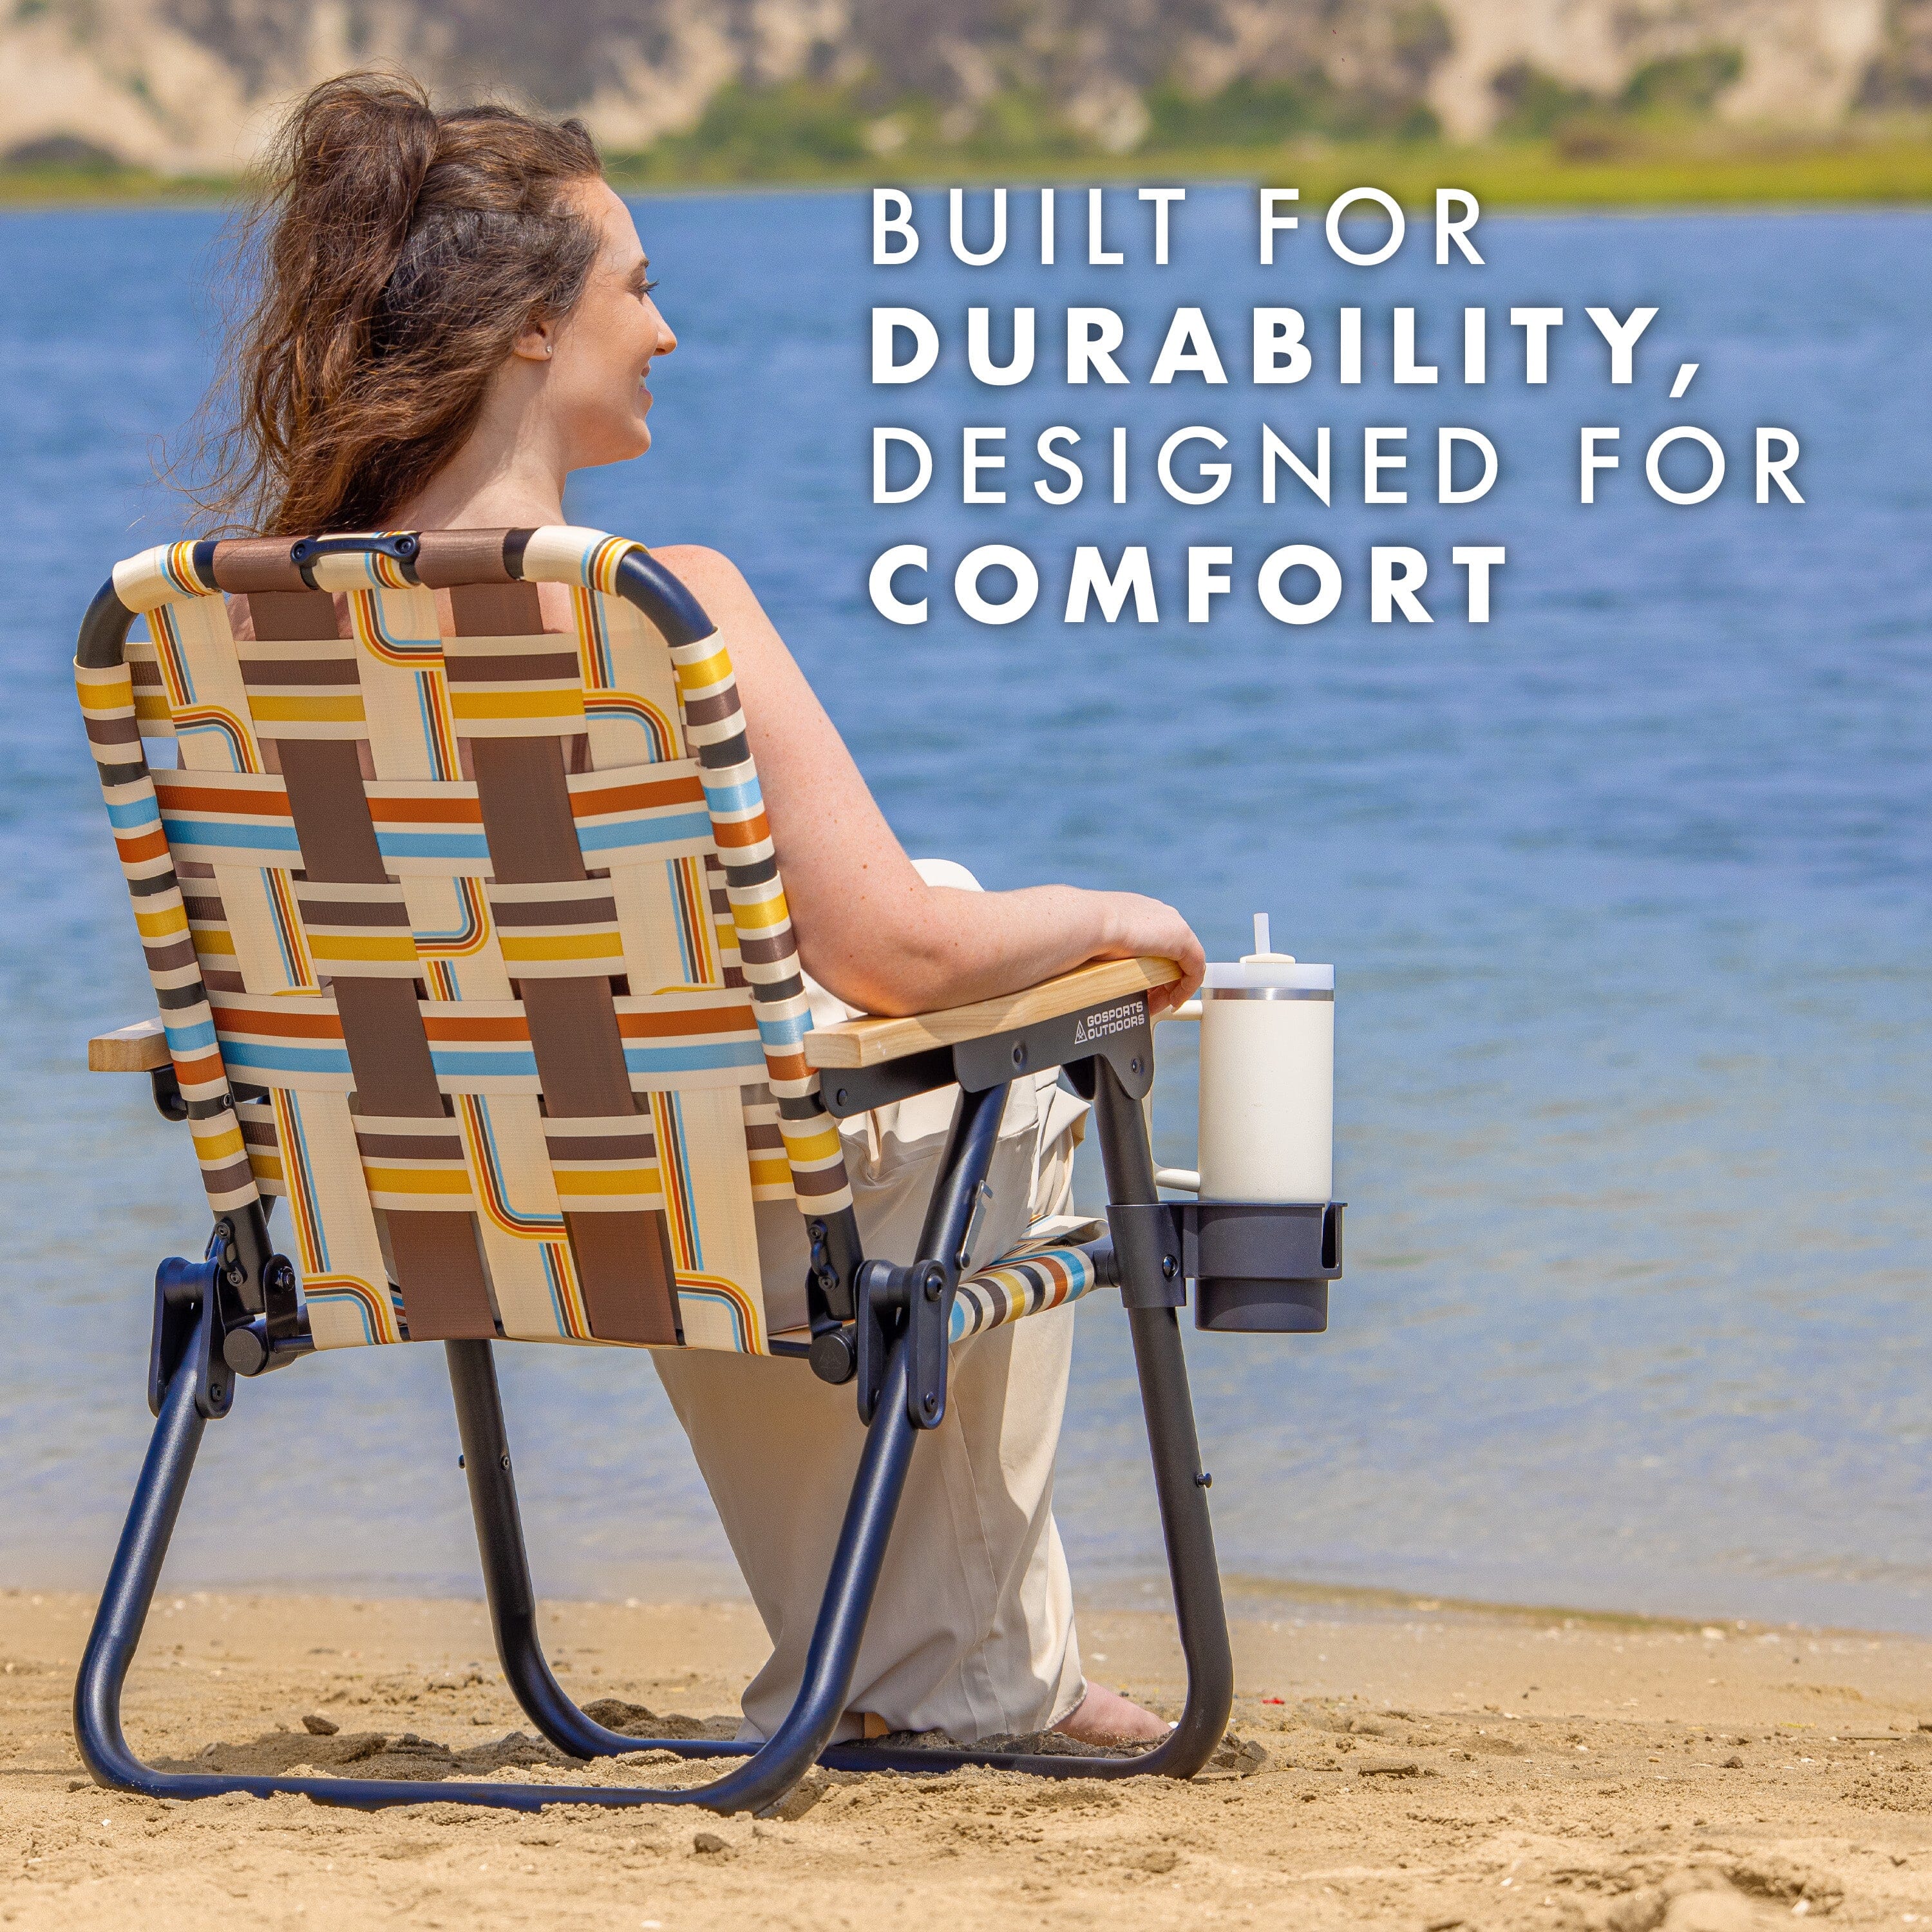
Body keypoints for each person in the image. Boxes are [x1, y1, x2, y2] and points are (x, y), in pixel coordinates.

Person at [204, 71, 1206, 1748]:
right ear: (531, 325)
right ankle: (962, 1681)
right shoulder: (653, 611)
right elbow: (900, 957)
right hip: (678, 1198)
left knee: (793, 1062)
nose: (664, 332)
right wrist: (1125, 919)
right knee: (1024, 1048)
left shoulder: (242, 623)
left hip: (399, 1206)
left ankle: (917, 1670)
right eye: (638, 287)